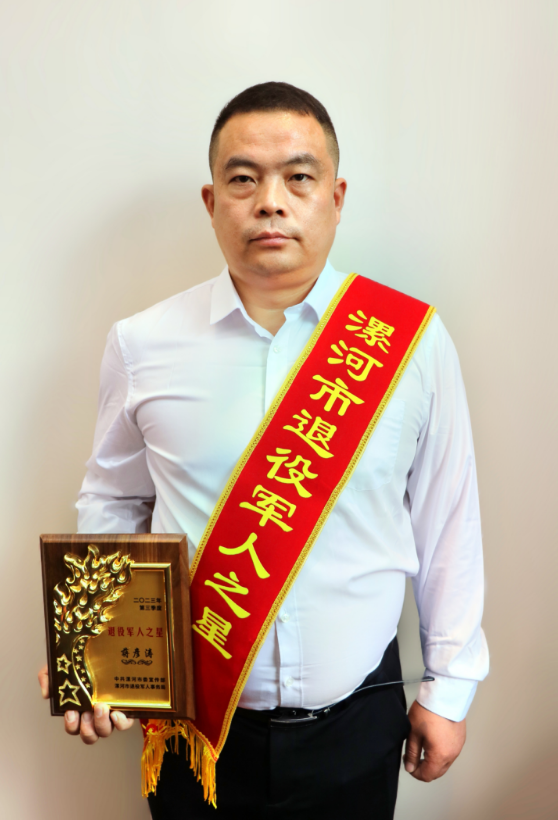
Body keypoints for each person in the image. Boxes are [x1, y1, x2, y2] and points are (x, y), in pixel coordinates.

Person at [39, 81, 489, 819]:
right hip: (195, 729)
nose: (271, 203)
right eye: (244, 179)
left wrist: (450, 687)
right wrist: (96, 652)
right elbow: (114, 501)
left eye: (298, 178)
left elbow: (448, 521)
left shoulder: (409, 341)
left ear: (335, 198)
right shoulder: (142, 343)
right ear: (212, 201)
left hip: (359, 721)